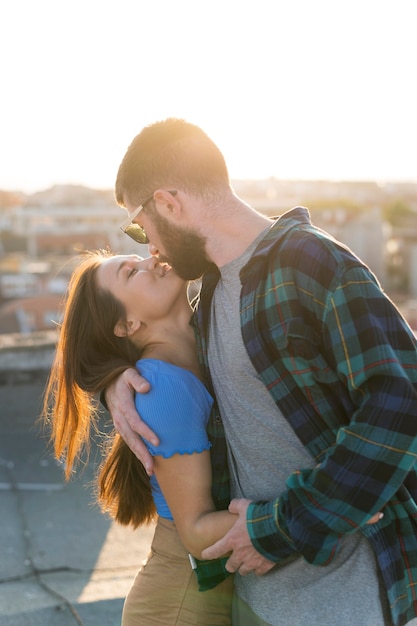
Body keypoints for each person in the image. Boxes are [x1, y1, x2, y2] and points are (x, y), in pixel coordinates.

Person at [105, 117, 417, 626]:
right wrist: (113, 382)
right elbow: (164, 363)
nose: (150, 247)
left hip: (346, 601)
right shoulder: (206, 291)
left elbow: (400, 406)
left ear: (168, 202)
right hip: (256, 598)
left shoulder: (312, 261)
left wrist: (281, 528)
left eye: (141, 226)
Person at [42, 249, 236, 626]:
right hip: (179, 605)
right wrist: (320, 506)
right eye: (132, 273)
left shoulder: (208, 333)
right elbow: (196, 533)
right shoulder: (161, 388)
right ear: (126, 324)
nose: (152, 259)